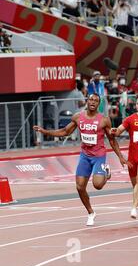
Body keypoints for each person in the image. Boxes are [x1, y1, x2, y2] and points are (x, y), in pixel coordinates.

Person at [33, 93, 129, 226]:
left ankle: (106, 172)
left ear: (98, 104)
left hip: (99, 156)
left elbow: (112, 140)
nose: (92, 102)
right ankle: (91, 212)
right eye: (90, 99)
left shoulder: (104, 120)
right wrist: (45, 132)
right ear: (87, 101)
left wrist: (120, 157)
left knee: (98, 185)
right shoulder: (78, 117)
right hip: (85, 156)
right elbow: (65, 132)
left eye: (96, 100)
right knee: (79, 187)